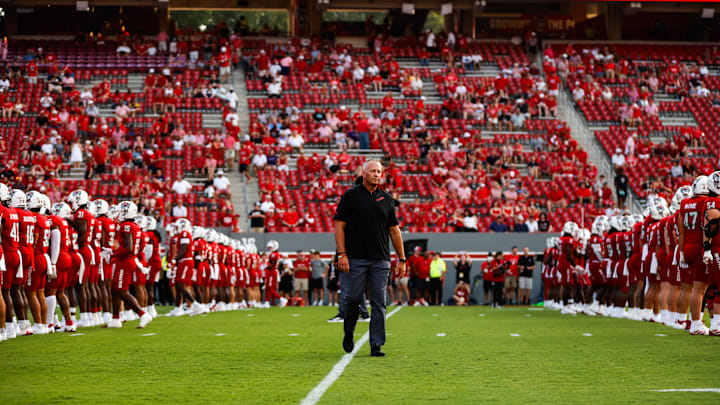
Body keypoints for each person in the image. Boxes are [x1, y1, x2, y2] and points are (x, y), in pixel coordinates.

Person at [334, 160, 406, 357]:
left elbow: (394, 230)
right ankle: (349, 331)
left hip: (380, 259)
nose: (376, 174)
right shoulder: (350, 196)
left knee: (379, 303)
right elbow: (339, 226)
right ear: (364, 173)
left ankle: (376, 344)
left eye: (379, 171)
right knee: (353, 299)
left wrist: (402, 259)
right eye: (373, 171)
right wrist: (342, 254)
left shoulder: (387, 199)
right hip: (355, 257)